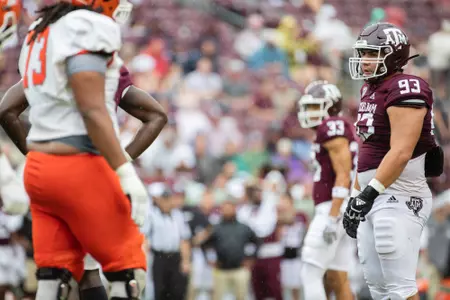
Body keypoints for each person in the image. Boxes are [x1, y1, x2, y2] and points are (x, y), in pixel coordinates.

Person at [12, 0, 150, 299]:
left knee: (54, 279)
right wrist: (125, 171)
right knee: (128, 273)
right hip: (79, 163)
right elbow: (91, 108)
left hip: (38, 167)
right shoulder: (86, 26)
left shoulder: (40, 28)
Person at [344, 22, 443, 300]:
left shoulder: (406, 86)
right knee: (377, 286)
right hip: (373, 191)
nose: (364, 61)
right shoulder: (369, 89)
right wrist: (356, 195)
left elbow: (401, 151)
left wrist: (367, 193)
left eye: (371, 54)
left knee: (399, 288)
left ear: (393, 55)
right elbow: (365, 152)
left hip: (399, 192)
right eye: (362, 54)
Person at [297, 80, 358, 300]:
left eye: (315, 106)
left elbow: (343, 174)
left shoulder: (331, 126)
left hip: (333, 209)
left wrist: (333, 215)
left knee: (310, 272)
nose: (308, 112)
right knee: (337, 278)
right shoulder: (334, 127)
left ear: (330, 106)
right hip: (341, 209)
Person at [144, 183, 191, 300]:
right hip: (159, 257)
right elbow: (144, 238)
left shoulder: (178, 215)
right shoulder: (152, 215)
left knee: (177, 290)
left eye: (168, 199)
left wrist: (185, 261)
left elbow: (184, 240)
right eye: (163, 199)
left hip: (175, 257)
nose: (166, 202)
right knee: (160, 290)